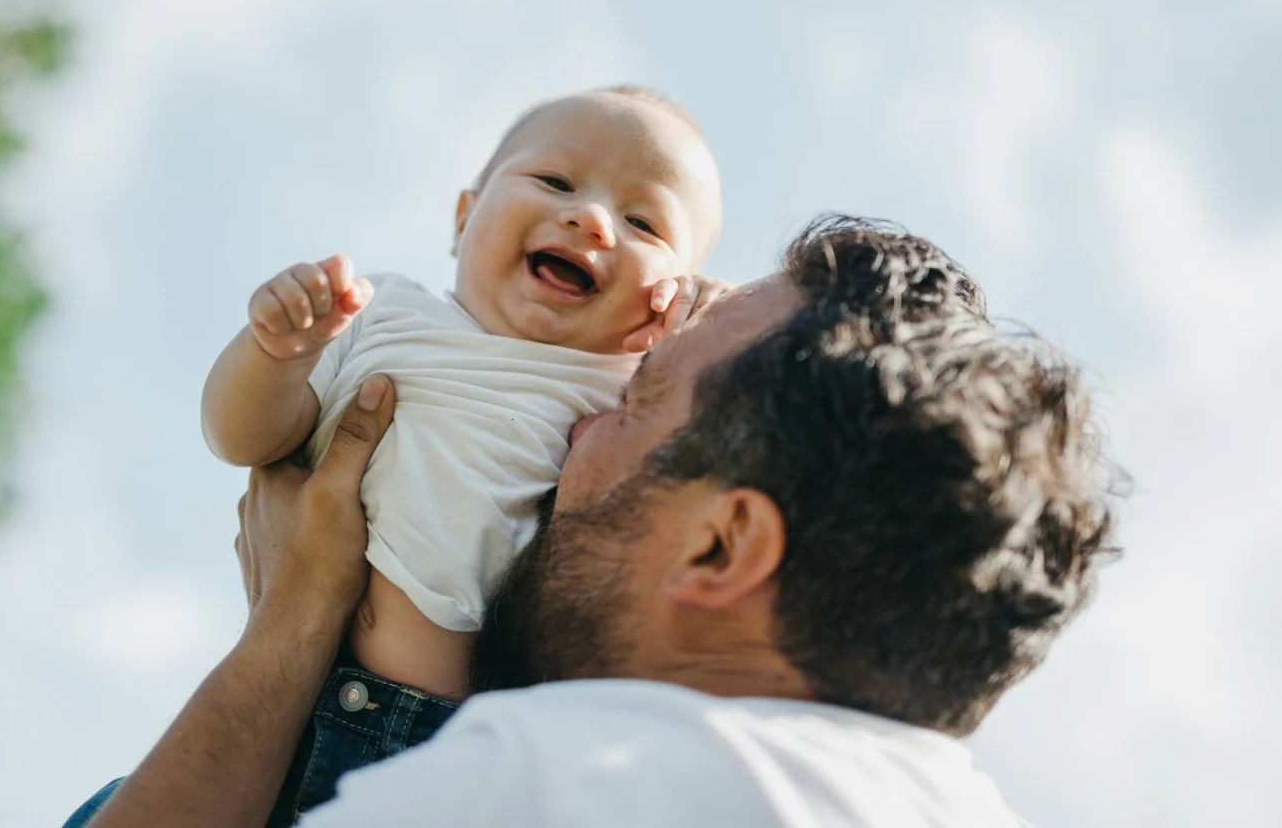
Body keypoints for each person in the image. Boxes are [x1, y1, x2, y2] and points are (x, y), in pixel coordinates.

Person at [68, 216, 1121, 827]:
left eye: (634, 399)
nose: (574, 436)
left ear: (721, 545)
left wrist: (293, 628)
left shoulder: (562, 781)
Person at [199, 86, 727, 816]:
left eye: (643, 222)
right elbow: (244, 440)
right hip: (284, 719)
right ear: (462, 217)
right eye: (554, 181)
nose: (591, 218)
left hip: (460, 763)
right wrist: (276, 354)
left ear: (669, 298)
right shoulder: (382, 311)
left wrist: (708, 350)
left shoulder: (622, 400)